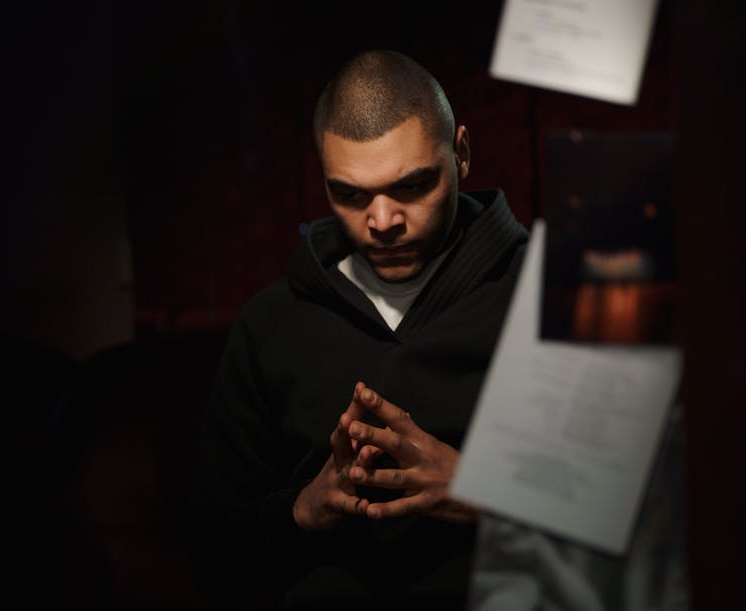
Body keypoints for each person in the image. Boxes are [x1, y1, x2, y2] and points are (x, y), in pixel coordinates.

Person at [186, 48, 530, 610]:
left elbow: (648, 517)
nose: (383, 222)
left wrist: (488, 494)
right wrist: (303, 510)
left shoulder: (550, 297)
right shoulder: (270, 324)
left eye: (413, 186)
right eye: (350, 194)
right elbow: (212, 551)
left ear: (461, 154)